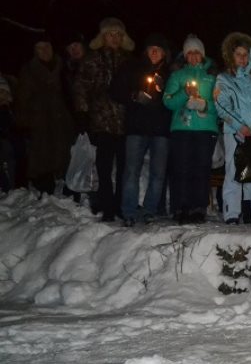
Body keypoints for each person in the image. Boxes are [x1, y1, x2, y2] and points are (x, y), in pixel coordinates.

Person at [73, 17, 134, 221]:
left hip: (125, 121)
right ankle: (107, 205)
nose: (114, 38)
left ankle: (119, 204)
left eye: (118, 34)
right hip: (101, 120)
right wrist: (82, 111)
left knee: (124, 168)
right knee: (104, 166)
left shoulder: (128, 60)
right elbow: (81, 86)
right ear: (103, 36)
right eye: (111, 34)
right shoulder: (93, 59)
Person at [110, 33, 172, 226]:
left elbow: (176, 100)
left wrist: (165, 91)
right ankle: (128, 211)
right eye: (151, 48)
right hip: (136, 128)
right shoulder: (131, 68)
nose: (154, 52)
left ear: (164, 53)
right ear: (145, 51)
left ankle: (149, 210)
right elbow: (115, 90)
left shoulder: (170, 73)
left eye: (158, 49)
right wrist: (134, 96)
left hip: (161, 130)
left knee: (158, 173)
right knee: (131, 171)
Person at [214, 31, 251, 225]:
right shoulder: (223, 79)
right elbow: (222, 105)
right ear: (231, 56)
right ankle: (232, 212)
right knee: (233, 171)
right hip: (234, 133)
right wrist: (240, 126)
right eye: (238, 54)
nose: (242, 58)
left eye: (245, 54)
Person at [163, 34, 219, 224]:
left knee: (201, 168)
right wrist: (184, 95)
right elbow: (168, 101)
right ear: (185, 55)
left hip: (205, 129)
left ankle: (199, 208)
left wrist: (204, 105)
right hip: (182, 128)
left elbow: (221, 104)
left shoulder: (212, 77)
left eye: (197, 52)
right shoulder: (177, 75)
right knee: (181, 168)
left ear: (202, 54)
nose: (193, 56)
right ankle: (181, 207)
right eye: (190, 53)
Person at [16, 37, 74, 196]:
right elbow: (22, 98)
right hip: (40, 119)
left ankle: (67, 186)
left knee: (65, 152)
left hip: (63, 117)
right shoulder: (29, 69)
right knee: (43, 155)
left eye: (47, 46)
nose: (44, 51)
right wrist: (25, 122)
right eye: (40, 48)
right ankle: (44, 189)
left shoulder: (64, 65)